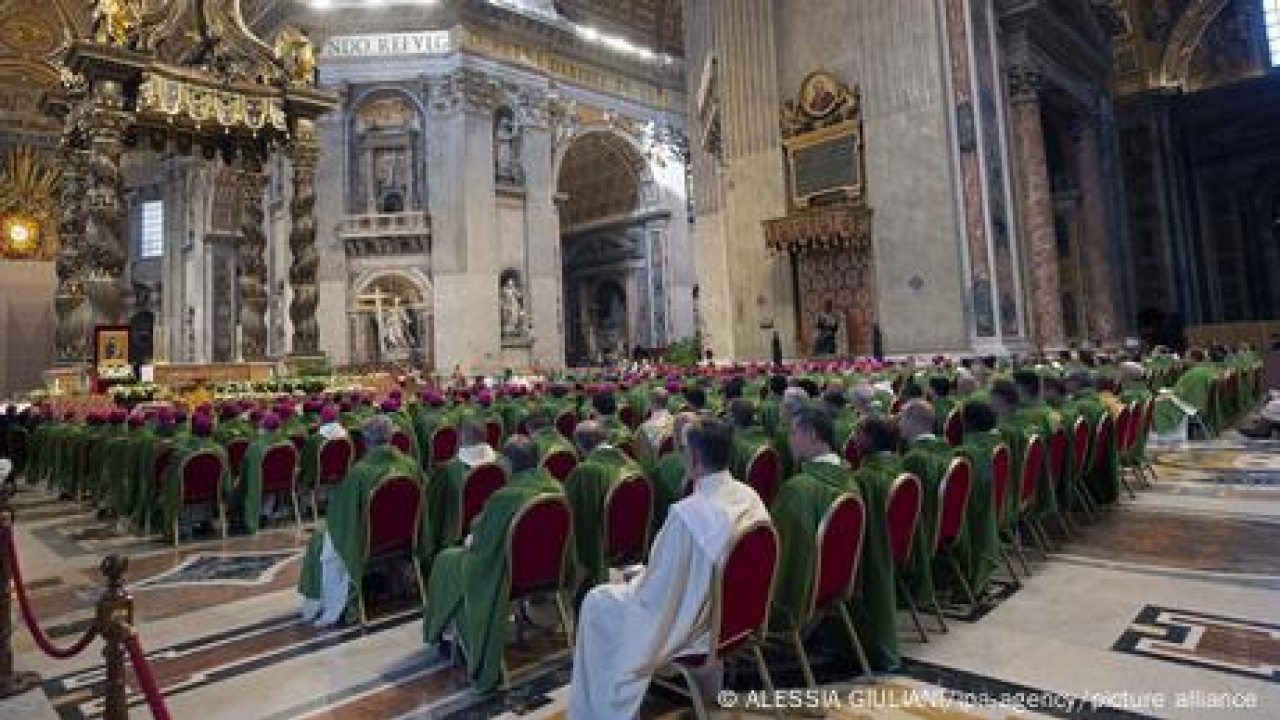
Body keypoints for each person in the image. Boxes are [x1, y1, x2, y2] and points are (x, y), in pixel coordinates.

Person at [568, 417, 771, 719]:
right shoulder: (749, 496)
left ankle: (601, 710)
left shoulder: (688, 515)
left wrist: (635, 580)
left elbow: (657, 593)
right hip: (734, 619)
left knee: (597, 601)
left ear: (692, 457)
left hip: (697, 628)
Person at [421, 436, 562, 692]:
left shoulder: (504, 498)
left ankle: (447, 635)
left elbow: (480, 540)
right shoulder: (556, 487)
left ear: (507, 463)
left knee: (446, 560)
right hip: (550, 571)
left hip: (509, 574)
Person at [298, 416, 422, 626]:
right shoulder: (410, 465)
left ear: (365, 441)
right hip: (406, 536)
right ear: (392, 436)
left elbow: (340, 516)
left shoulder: (359, 473)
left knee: (321, 536)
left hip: (370, 542)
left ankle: (331, 599)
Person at [768, 402, 860, 638]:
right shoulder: (849, 478)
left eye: (792, 432)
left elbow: (775, 549)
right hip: (834, 582)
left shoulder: (799, 488)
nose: (789, 440)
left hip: (804, 588)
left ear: (811, 435)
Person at [847, 417, 905, 671]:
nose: (854, 439)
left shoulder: (864, 480)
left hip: (875, 556)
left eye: (858, 433)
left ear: (869, 439)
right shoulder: (903, 468)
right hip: (901, 546)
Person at [564, 420, 644, 593]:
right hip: (634, 545)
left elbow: (570, 515)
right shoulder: (633, 465)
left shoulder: (586, 472)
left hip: (603, 552)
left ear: (579, 445)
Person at [423, 419, 501, 560]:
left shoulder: (447, 471)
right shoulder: (503, 464)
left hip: (458, 536)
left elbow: (432, 509)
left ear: (462, 438)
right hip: (495, 529)